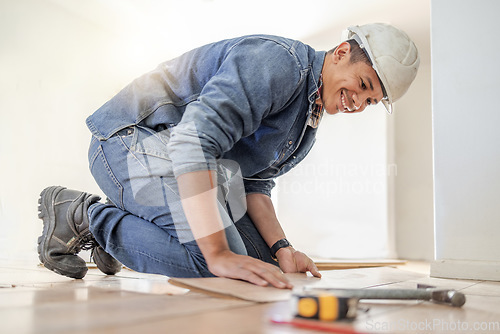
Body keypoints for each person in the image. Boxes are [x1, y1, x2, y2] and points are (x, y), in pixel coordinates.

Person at [37, 23, 419, 288]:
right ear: (341, 53)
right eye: (364, 85)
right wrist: (218, 252)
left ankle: (122, 226)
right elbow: (193, 142)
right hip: (127, 141)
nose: (359, 103)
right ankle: (84, 216)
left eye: (371, 101)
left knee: (259, 267)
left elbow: (255, 184)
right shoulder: (279, 63)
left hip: (172, 162)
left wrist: (282, 249)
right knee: (214, 262)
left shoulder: (308, 120)